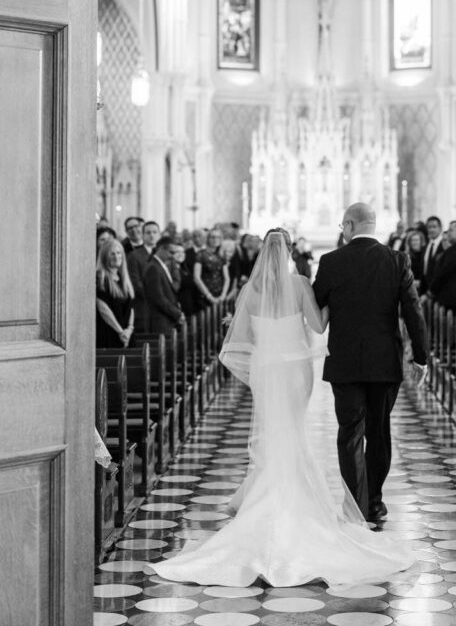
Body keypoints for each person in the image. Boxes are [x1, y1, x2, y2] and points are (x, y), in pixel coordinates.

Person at [151, 228, 415, 587]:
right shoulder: (300, 283)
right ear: (290, 251)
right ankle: (292, 502)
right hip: (295, 369)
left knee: (272, 430)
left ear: (262, 251)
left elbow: (240, 336)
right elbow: (319, 326)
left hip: (266, 370)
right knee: (292, 430)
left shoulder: (248, 290)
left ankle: (266, 497)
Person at [313, 202, 428, 523]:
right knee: (378, 432)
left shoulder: (331, 261)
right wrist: (421, 357)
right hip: (384, 362)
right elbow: (413, 311)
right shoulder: (396, 259)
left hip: (345, 361)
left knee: (350, 433)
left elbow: (316, 301)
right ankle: (375, 502)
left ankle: (355, 505)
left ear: (349, 225)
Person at [428, 219, 456, 315]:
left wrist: (430, 292)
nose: (448, 233)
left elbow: (442, 273)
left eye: (451, 230)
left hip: (453, 300)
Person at [144, 235, 186, 338]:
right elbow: (158, 298)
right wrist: (177, 314)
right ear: (161, 249)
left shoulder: (160, 266)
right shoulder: (153, 268)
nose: (173, 256)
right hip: (160, 322)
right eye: (171, 252)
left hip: (167, 320)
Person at [96, 238, 135, 348]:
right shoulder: (100, 278)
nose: (116, 256)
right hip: (110, 333)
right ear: (104, 256)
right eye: (112, 254)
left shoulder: (124, 278)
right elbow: (103, 309)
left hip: (127, 335)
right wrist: (120, 332)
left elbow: (130, 308)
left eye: (119, 253)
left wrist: (129, 329)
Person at [193, 227, 229, 305]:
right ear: (208, 238)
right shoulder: (200, 254)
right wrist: (209, 296)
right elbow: (196, 278)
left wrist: (223, 295)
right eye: (212, 237)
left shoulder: (222, 255)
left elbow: (227, 278)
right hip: (204, 295)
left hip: (220, 295)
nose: (215, 239)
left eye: (218, 237)